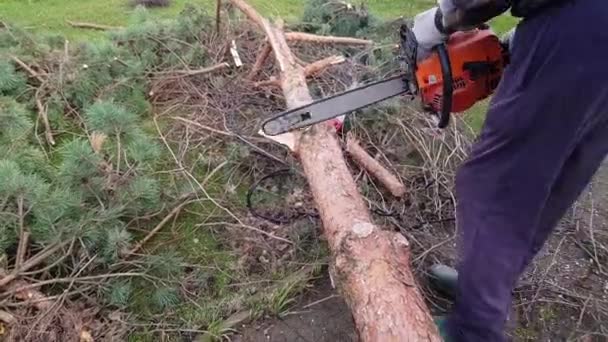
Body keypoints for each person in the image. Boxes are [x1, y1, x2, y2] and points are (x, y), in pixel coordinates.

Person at [411, 0, 608, 340]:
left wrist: (444, 17)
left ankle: (474, 329)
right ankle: (483, 285)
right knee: (555, 175)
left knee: (493, 185)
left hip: (582, 24)